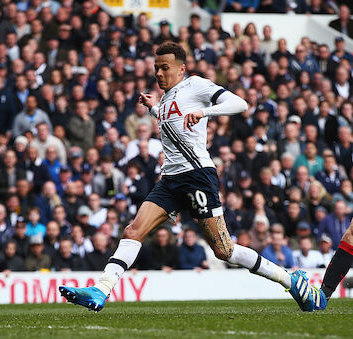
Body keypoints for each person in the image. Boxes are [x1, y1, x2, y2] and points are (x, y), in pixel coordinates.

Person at [59, 42, 315, 313]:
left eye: (165, 68)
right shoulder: (167, 97)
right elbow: (174, 122)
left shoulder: (196, 85)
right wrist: (153, 108)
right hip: (170, 180)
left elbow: (240, 103)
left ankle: (290, 280)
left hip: (196, 177)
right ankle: (101, 289)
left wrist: (205, 112)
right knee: (133, 230)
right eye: (156, 68)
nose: (158, 73)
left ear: (181, 69)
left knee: (224, 250)